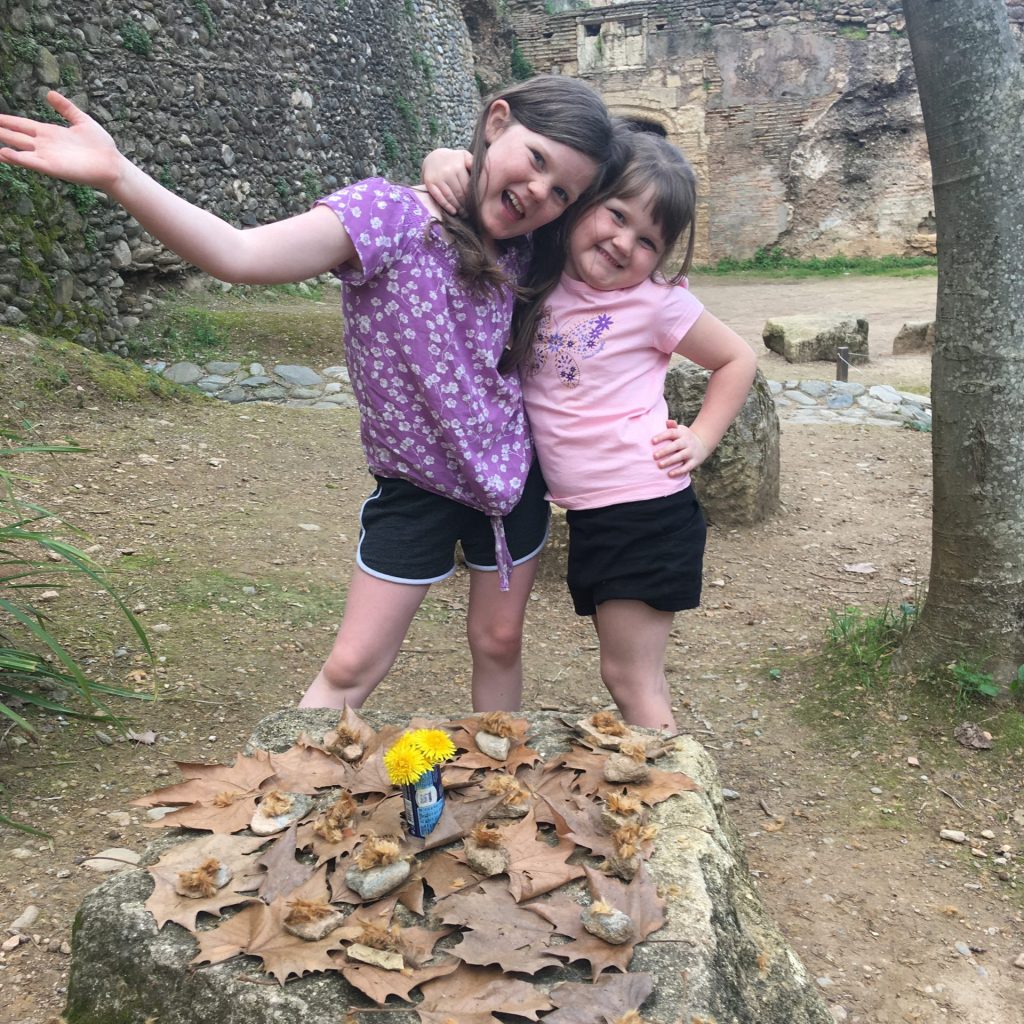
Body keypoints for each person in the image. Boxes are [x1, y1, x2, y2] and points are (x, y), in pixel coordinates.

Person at [0, 77, 621, 714]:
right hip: (416, 487)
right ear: (496, 122)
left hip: (511, 482)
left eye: (562, 192)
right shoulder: (387, 215)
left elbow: (629, 236)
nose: (540, 192)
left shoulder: (532, 249)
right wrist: (118, 175)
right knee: (351, 666)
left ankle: (501, 781)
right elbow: (239, 253)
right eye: (537, 159)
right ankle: (286, 793)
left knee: (498, 640)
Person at [425, 128, 757, 732]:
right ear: (580, 204)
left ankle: (667, 800)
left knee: (631, 677)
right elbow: (494, 188)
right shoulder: (542, 268)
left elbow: (736, 359)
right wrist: (443, 160)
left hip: (645, 510)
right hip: (593, 513)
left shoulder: (657, 304)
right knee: (622, 674)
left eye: (648, 240)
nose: (623, 243)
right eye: (616, 214)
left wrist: (703, 439)